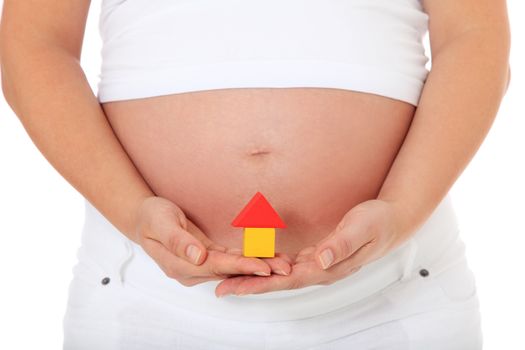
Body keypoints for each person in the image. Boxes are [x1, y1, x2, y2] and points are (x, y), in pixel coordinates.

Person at [0, 0, 511, 349]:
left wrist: (403, 211)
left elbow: (474, 34)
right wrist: (130, 212)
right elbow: (33, 41)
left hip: (393, 299)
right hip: (143, 298)